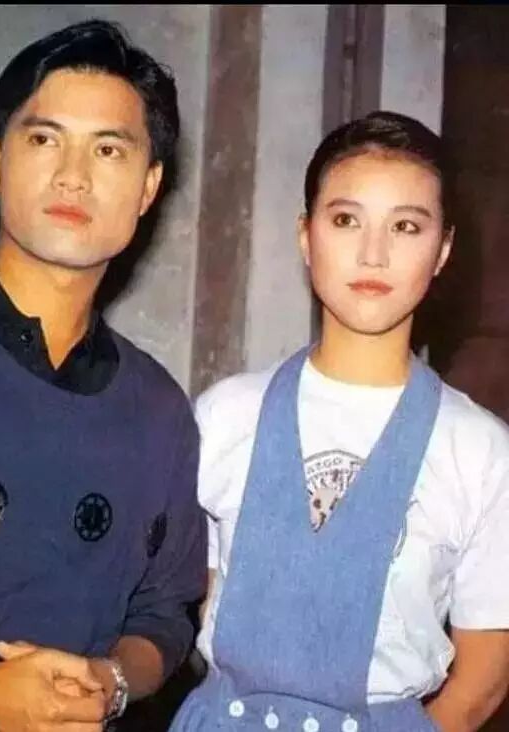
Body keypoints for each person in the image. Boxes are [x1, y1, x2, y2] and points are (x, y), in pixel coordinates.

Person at [0, 18, 206, 731]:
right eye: (45, 139)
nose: (73, 175)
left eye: (108, 149)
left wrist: (111, 682)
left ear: (148, 188)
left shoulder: (159, 411)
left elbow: (164, 614)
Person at [170, 111, 509, 731]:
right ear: (306, 236)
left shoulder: (481, 450)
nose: (373, 254)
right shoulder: (225, 414)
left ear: (443, 251)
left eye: (406, 226)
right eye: (346, 220)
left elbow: (482, 682)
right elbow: (194, 599)